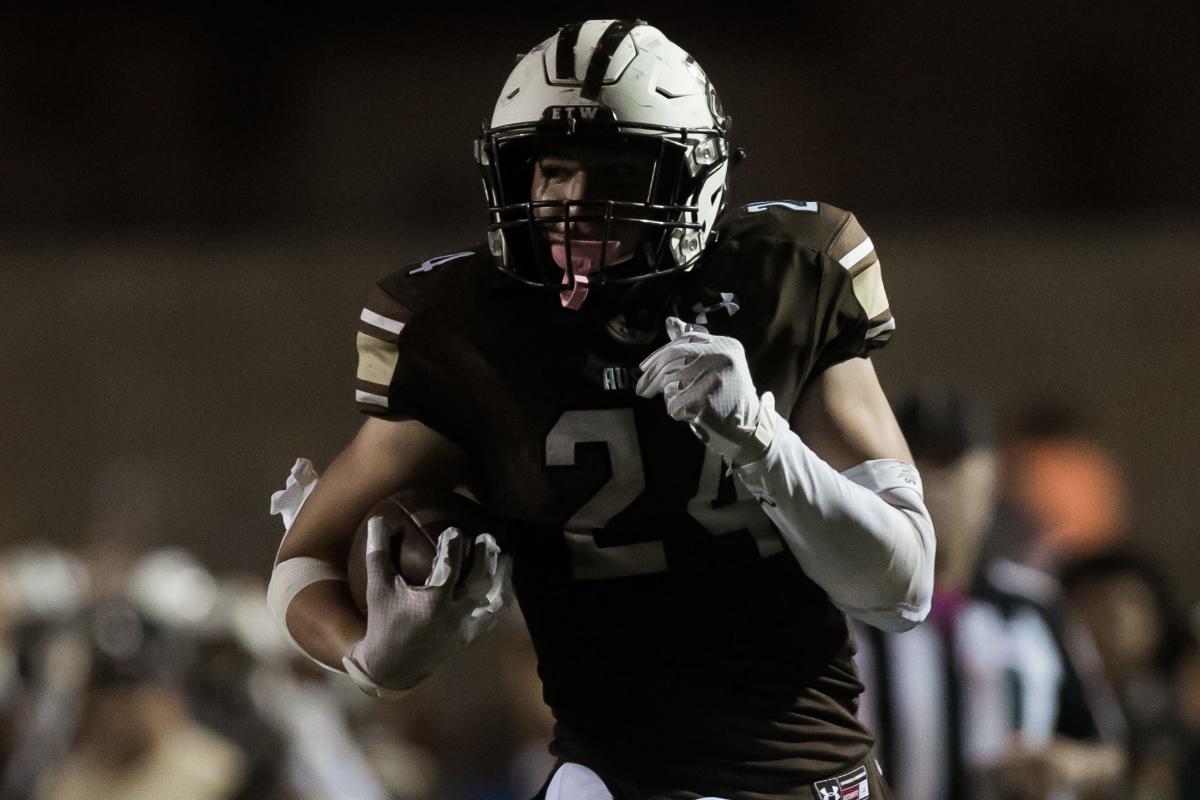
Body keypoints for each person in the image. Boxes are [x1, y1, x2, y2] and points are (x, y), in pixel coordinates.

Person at [269, 19, 935, 799]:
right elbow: (301, 564)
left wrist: (762, 443)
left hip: (802, 773)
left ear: (693, 181)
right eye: (552, 173)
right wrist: (371, 657)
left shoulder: (785, 281)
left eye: (615, 176)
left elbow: (903, 589)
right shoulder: (467, 331)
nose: (574, 206)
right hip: (608, 774)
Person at [853, 390, 1126, 800]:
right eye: (912, 463)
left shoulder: (1034, 604)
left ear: (989, 477)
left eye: (951, 464)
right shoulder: (849, 607)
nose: (934, 483)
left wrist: (1065, 764)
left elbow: (1108, 748)